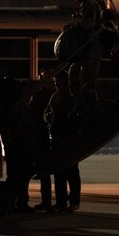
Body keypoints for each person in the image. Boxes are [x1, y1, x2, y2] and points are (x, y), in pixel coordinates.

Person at [46, 69, 81, 213]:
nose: (56, 85)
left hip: (69, 140)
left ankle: (74, 202)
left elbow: (72, 118)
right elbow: (48, 111)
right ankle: (61, 202)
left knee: (72, 172)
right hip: (57, 139)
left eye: (57, 82)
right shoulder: (55, 96)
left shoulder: (71, 98)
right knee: (59, 173)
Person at [28, 69, 56, 211]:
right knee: (47, 171)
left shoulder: (41, 96)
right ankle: (54, 200)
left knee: (47, 172)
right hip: (45, 137)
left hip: (46, 137)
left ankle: (50, 201)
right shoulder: (53, 96)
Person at [68, 0, 103, 89]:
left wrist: (78, 19)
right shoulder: (88, 3)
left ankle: (86, 98)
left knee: (88, 77)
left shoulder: (90, 4)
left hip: (91, 46)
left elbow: (89, 25)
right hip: (88, 46)